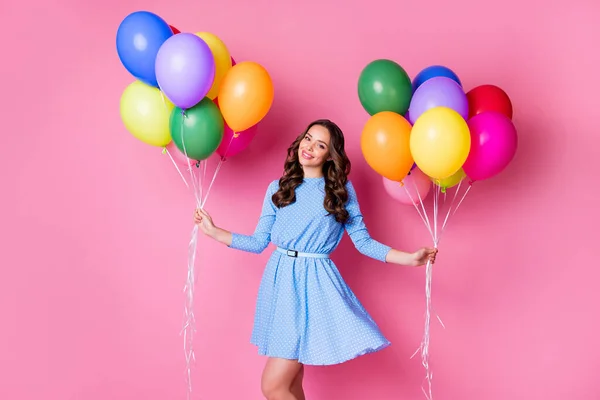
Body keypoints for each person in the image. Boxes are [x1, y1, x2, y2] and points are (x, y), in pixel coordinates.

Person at [194, 119, 437, 400]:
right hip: (280, 282)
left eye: (320, 145)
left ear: (329, 155)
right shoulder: (278, 187)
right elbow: (259, 242)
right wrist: (214, 232)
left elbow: (363, 242)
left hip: (313, 287)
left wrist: (409, 258)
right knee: (292, 383)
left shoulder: (340, 192)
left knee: (272, 386)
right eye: (308, 138)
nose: (309, 147)